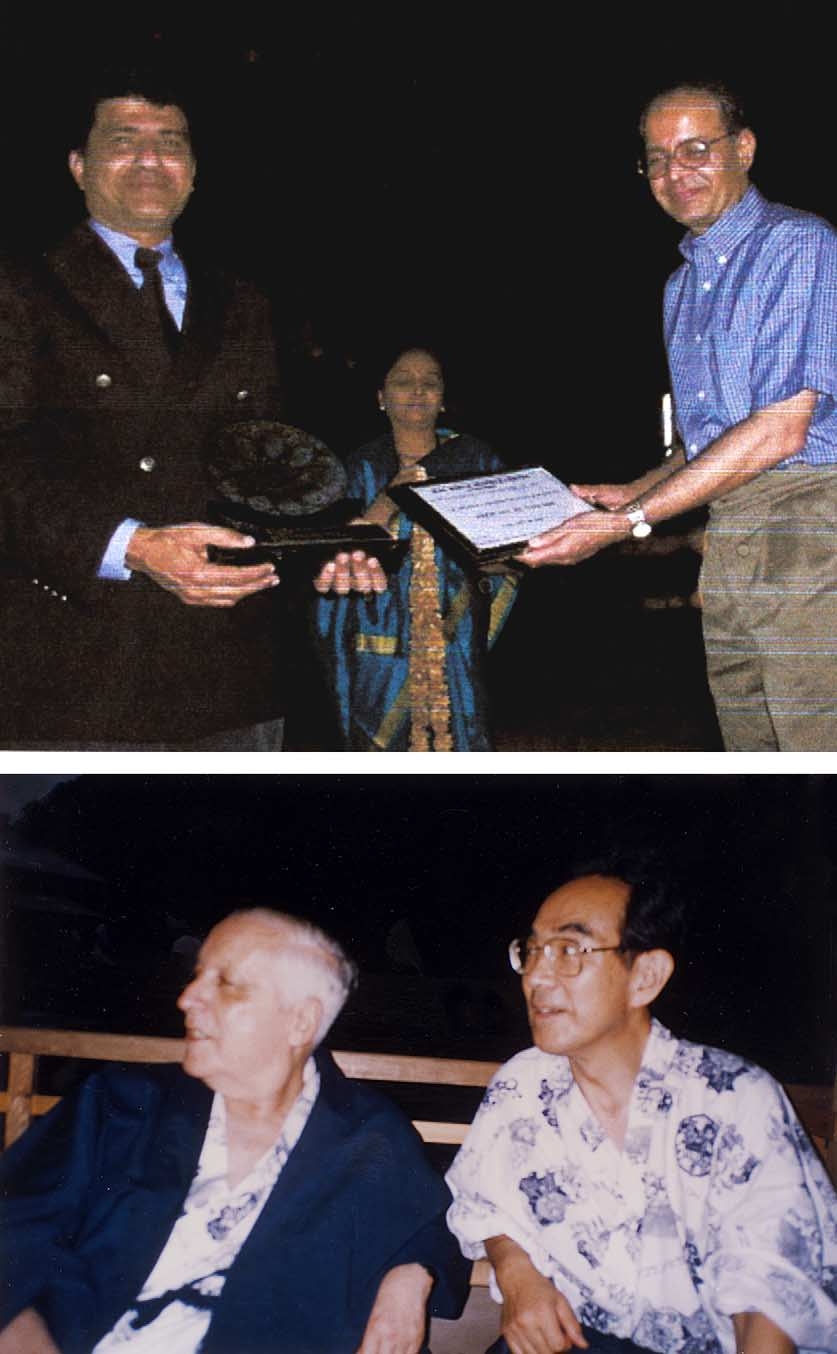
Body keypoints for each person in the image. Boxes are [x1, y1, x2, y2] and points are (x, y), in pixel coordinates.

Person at [0, 68, 383, 750]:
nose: (151, 160)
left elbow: (272, 461)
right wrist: (134, 546)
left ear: (195, 170)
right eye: (125, 140)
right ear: (78, 165)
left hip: (232, 669)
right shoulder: (20, 292)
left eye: (171, 143)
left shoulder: (244, 300)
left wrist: (328, 542)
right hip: (80, 672)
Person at [517, 82, 837, 752]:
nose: (673, 173)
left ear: (743, 149)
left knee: (816, 745)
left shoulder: (797, 245)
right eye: (655, 159)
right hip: (730, 530)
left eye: (695, 149)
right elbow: (716, 439)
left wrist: (629, 522)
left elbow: (781, 428)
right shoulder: (680, 285)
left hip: (810, 525)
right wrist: (637, 488)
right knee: (751, 746)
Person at [0, 908, 470, 1353]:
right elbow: (14, 1226)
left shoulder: (366, 1134)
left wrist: (412, 1275)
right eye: (197, 975)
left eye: (225, 983)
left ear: (300, 1021)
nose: (187, 998)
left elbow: (433, 1225)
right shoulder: (123, 1105)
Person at [446, 862, 837, 1354]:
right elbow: (486, 1204)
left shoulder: (733, 1098)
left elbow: (769, 1293)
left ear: (646, 977)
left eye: (569, 950)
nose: (537, 976)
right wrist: (517, 1271)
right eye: (531, 951)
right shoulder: (523, 1084)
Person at [314, 347, 518, 750]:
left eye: (431, 382)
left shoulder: (475, 458)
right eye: (403, 381)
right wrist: (391, 499)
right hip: (376, 639)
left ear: (443, 398)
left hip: (456, 635)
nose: (418, 391)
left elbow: (508, 550)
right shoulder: (357, 468)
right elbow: (332, 559)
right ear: (380, 396)